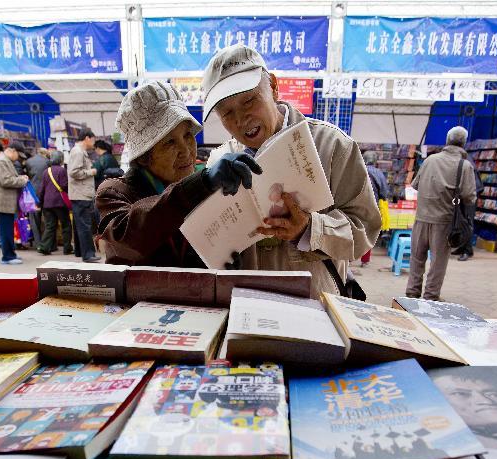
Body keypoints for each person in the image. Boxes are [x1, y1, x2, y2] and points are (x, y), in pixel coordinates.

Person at [202, 44, 381, 297]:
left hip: (315, 305)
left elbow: (364, 229)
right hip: (247, 306)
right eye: (227, 113)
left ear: (274, 87)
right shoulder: (219, 160)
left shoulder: (333, 146)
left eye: (249, 100)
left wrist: (311, 228)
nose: (241, 120)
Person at [96, 81, 258, 267]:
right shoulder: (114, 193)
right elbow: (129, 238)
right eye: (169, 142)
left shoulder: (206, 189)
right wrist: (200, 185)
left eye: (188, 136)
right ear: (142, 157)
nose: (186, 150)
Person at [404, 126, 477, 301]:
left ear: (447, 140)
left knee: (417, 258)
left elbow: (415, 185)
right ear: (463, 143)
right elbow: (469, 196)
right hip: (445, 220)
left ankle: (412, 293)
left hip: (421, 217)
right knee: (438, 262)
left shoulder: (430, 160)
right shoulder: (464, 166)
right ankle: (431, 295)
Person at [0, 142, 29, 265]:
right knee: (6, 231)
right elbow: (6, 181)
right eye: (18, 154)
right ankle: (7, 256)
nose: (18, 158)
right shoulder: (1, 161)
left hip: (6, 202)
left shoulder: (4, 160)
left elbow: (9, 177)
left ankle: (11, 253)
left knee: (8, 230)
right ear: (12, 151)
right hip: (3, 203)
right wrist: (22, 180)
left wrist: (19, 178)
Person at [68, 128, 102, 263]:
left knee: (79, 225)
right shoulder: (78, 152)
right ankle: (88, 255)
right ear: (87, 138)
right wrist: (91, 172)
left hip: (80, 194)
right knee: (85, 226)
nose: (93, 143)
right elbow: (74, 172)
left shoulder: (79, 151)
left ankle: (80, 252)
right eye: (93, 140)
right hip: (81, 194)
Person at [36, 151, 73, 256]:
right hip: (60, 203)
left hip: (47, 204)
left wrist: (40, 203)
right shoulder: (62, 171)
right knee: (66, 225)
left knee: (50, 226)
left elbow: (42, 189)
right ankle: (67, 248)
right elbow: (64, 186)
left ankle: (44, 247)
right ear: (61, 159)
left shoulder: (45, 171)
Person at [360, 150, 389, 267]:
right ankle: (365, 261)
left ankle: (349, 258)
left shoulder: (357, 169)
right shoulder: (379, 173)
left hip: (355, 206)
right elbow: (384, 193)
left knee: (352, 230)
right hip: (372, 207)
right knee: (368, 234)